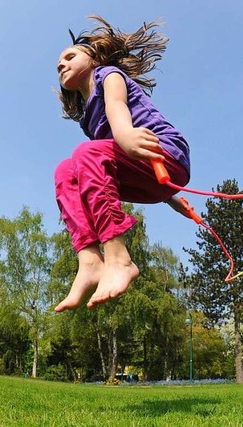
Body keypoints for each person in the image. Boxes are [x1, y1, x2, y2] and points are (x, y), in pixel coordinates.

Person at [54, 16, 190, 312]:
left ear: (93, 57)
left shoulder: (108, 74)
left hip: (164, 153)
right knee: (65, 171)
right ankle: (89, 260)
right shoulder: (87, 120)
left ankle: (119, 258)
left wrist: (126, 135)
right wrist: (171, 197)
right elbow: (109, 160)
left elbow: (117, 108)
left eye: (69, 56)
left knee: (85, 154)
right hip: (149, 177)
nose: (61, 65)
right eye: (57, 66)